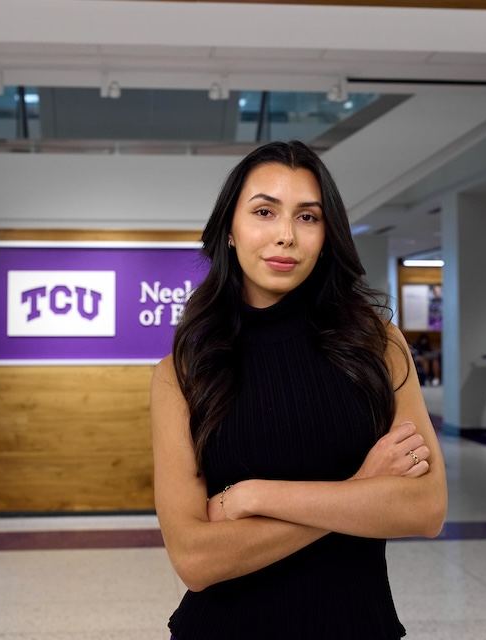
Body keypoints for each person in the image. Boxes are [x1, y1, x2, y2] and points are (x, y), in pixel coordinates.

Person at [150, 140, 447, 640]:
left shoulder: (377, 344)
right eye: (264, 211)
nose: (285, 236)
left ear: (327, 234)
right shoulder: (183, 373)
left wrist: (254, 497)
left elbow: (425, 509)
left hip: (359, 628)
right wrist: (358, 490)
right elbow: (195, 559)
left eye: (308, 217)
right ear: (229, 230)